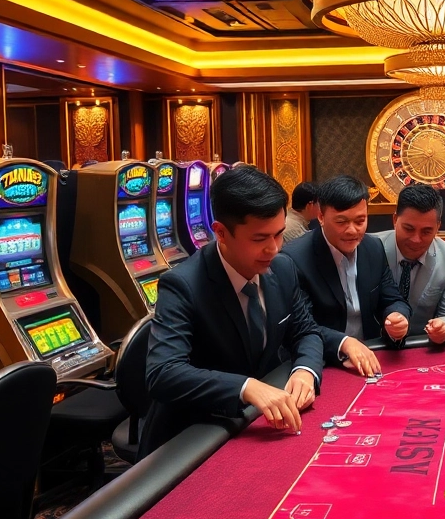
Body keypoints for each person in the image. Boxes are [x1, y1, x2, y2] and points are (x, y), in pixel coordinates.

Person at [140, 166, 324, 456]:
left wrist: (305, 370)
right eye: (260, 239)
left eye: (278, 235)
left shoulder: (284, 267)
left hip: (255, 427)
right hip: (192, 438)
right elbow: (163, 373)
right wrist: (246, 387)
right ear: (221, 233)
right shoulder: (183, 284)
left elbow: (306, 331)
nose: (274, 249)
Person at [282, 175, 412, 374]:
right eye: (341, 222)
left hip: (370, 355)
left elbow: (392, 298)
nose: (352, 230)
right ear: (321, 217)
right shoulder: (294, 259)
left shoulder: (373, 247)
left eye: (360, 220)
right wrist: (343, 343)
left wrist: (397, 316)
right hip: (322, 363)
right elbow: (301, 326)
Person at [373, 184, 445, 345]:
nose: (416, 239)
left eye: (426, 231)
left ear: (438, 227)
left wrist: (444, 327)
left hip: (420, 346)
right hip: (373, 344)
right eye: (408, 229)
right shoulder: (370, 248)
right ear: (395, 220)